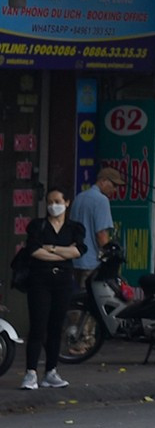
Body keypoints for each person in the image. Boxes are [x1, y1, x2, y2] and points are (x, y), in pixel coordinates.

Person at [19, 187, 84, 390]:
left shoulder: (74, 228)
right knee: (38, 325)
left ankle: (51, 371)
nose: (53, 205)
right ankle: (30, 372)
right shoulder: (37, 226)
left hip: (63, 281)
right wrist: (62, 255)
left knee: (56, 326)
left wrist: (52, 249)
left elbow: (78, 250)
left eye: (57, 201)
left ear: (67, 202)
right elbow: (35, 251)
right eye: (49, 202)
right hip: (40, 280)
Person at [69, 166, 120, 279]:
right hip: (92, 262)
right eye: (114, 185)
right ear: (103, 181)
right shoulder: (102, 200)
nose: (115, 189)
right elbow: (101, 234)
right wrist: (109, 258)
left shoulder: (79, 197)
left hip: (75, 259)